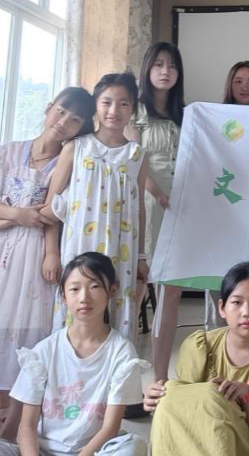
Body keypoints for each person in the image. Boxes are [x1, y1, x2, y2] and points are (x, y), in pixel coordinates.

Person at [0, 87, 96, 441]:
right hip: (2, 252)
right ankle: (1, 398)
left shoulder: (67, 160)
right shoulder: (9, 152)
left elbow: (54, 212)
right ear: (49, 108)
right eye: (61, 111)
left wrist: (50, 251)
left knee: (29, 325)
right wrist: (17, 215)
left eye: (75, 119)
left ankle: (22, 408)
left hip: (36, 251)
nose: (64, 122)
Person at [0, 252, 148, 456]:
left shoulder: (121, 352)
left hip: (92, 453)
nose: (84, 297)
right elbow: (27, 427)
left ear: (112, 290)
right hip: (41, 452)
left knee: (133, 446)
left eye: (94, 286)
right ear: (63, 295)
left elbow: (110, 429)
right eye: (75, 289)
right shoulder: (43, 351)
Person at [146, 262, 249, 455]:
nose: (247, 312)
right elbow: (183, 416)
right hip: (196, 445)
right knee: (171, 396)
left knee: (211, 395)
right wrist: (157, 397)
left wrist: (248, 397)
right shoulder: (201, 346)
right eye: (237, 302)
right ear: (222, 307)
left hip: (241, 448)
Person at [43, 73, 148, 339]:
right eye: (106, 102)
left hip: (121, 250)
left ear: (133, 109)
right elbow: (51, 206)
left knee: (115, 306)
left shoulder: (137, 155)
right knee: (76, 307)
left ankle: (113, 364)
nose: (114, 110)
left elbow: (140, 209)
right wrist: (51, 252)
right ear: (96, 106)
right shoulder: (76, 148)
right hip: (79, 246)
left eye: (123, 104)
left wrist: (141, 257)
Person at [125, 43, 183, 385]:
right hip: (146, 208)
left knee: (170, 295)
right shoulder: (136, 113)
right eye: (159, 64)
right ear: (147, 69)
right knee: (135, 291)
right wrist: (158, 193)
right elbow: (133, 163)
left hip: (180, 211)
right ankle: (124, 383)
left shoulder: (183, 115)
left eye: (172, 66)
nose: (165, 71)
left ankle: (161, 380)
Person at [206, 59, 249, 329]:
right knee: (220, 278)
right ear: (229, 85)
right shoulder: (215, 120)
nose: (245, 87)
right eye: (239, 81)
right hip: (224, 214)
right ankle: (217, 343)